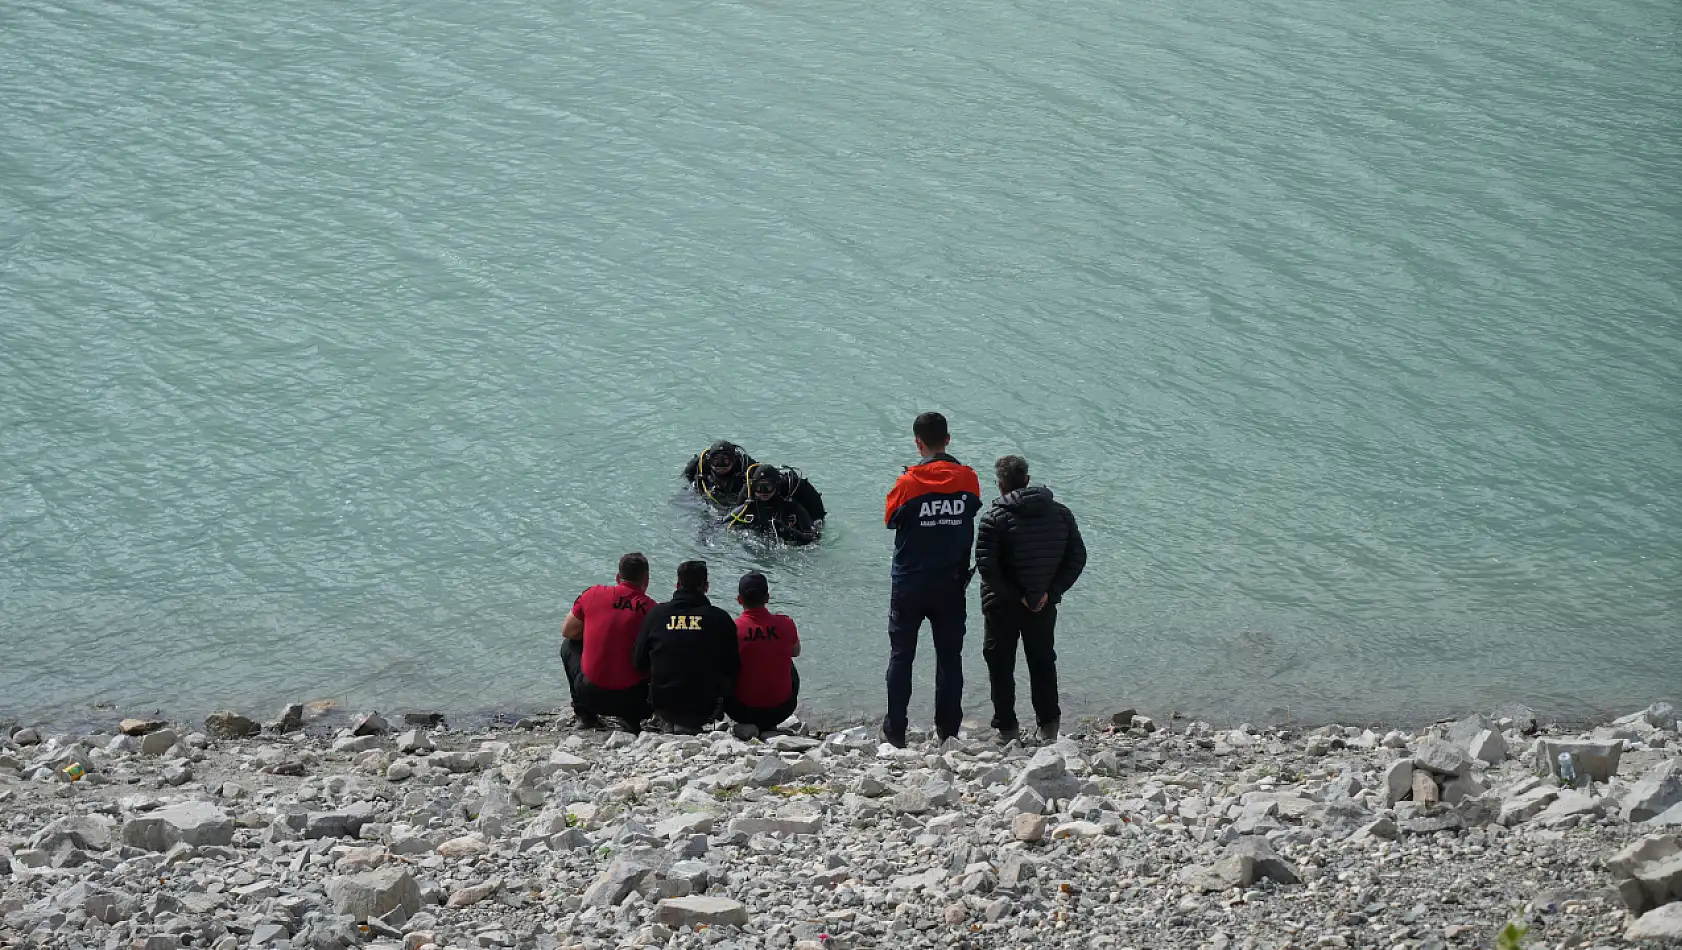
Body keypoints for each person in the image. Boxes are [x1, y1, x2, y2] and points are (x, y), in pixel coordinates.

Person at [881, 412, 983, 747]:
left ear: (917, 442)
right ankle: (948, 732)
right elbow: (969, 512)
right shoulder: (968, 479)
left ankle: (895, 731)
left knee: (901, 656)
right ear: (948, 439)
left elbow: (891, 520)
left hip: (910, 582)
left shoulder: (907, 483)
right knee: (950, 658)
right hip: (951, 584)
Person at [975, 456, 1088, 743]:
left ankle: (1007, 729)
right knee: (1042, 661)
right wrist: (1052, 591)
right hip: (1044, 603)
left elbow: (987, 567)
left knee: (1000, 664)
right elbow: (1077, 557)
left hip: (1001, 604)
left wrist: (1017, 596)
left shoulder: (993, 518)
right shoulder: (1061, 513)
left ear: (1000, 485)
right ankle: (1049, 725)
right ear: (1026, 480)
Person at [634, 560, 740, 733]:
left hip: (663, 705)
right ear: (706, 587)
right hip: (705, 709)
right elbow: (733, 668)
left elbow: (639, 662)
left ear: (677, 585)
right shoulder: (721, 619)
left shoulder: (657, 614)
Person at [560, 553, 656, 731]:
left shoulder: (593, 594)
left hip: (590, 695)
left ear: (618, 577)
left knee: (569, 645)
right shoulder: (652, 609)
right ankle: (631, 720)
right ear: (646, 579)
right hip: (636, 701)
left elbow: (568, 631)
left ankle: (585, 716)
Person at [725, 572, 801, 733]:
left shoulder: (732, 629)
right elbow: (796, 651)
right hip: (782, 710)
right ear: (767, 598)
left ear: (739, 600)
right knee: (787, 656)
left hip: (742, 711)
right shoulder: (786, 623)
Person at [724, 466, 820, 545]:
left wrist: (786, 531)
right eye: (758, 487)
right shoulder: (749, 507)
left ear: (776, 486)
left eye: (768, 487)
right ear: (753, 487)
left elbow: (814, 538)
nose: (763, 492)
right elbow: (722, 523)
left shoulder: (792, 507)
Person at [683, 441, 758, 508]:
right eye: (716, 460)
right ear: (709, 461)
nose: (720, 465)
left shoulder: (744, 474)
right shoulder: (702, 480)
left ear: (733, 460)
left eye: (725, 460)